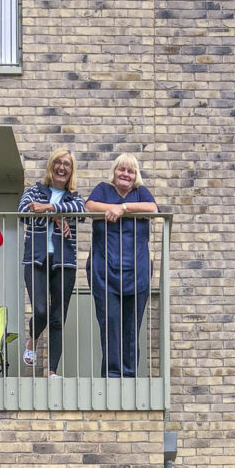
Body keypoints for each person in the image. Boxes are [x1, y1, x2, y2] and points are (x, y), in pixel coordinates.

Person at [85, 154, 158, 378]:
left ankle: (129, 378)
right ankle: (111, 378)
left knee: (131, 328)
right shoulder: (102, 189)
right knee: (111, 326)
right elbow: (89, 206)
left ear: (136, 176)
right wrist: (114, 208)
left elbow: (153, 209)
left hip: (137, 273)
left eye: (131, 171)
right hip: (105, 272)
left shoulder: (141, 193)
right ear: (114, 172)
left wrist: (123, 208)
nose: (126, 174)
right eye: (121, 170)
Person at [18, 149, 85, 375]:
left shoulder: (74, 197)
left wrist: (49, 208)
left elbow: (81, 212)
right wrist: (56, 218)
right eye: (58, 162)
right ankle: (33, 339)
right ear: (51, 166)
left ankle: (53, 371)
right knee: (40, 309)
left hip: (64, 262)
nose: (62, 167)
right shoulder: (35, 190)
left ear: (71, 170)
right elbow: (22, 211)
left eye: (67, 164)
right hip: (35, 259)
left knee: (57, 318)